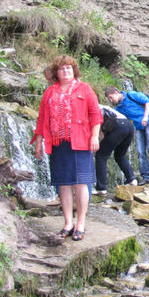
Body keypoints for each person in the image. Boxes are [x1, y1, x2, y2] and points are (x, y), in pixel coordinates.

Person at [33, 55, 102, 241]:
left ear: (74, 71)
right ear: (56, 72)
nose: (66, 71)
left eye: (69, 68)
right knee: (63, 183)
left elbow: (96, 114)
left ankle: (81, 223)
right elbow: (42, 119)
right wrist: (39, 141)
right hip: (58, 142)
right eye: (62, 68)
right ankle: (68, 222)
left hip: (80, 141)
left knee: (80, 183)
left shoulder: (84, 89)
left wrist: (94, 136)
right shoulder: (49, 92)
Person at [104, 86, 149, 184]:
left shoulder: (131, 95)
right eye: (109, 98)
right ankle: (145, 176)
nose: (111, 100)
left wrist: (145, 117)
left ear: (116, 92)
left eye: (111, 97)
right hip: (139, 126)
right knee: (140, 151)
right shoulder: (119, 108)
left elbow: (147, 101)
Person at [93, 104, 136, 194]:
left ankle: (101, 188)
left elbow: (100, 130)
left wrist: (100, 141)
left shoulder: (92, 108)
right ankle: (132, 179)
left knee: (101, 155)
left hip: (118, 126)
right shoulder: (103, 107)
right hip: (129, 126)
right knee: (120, 155)